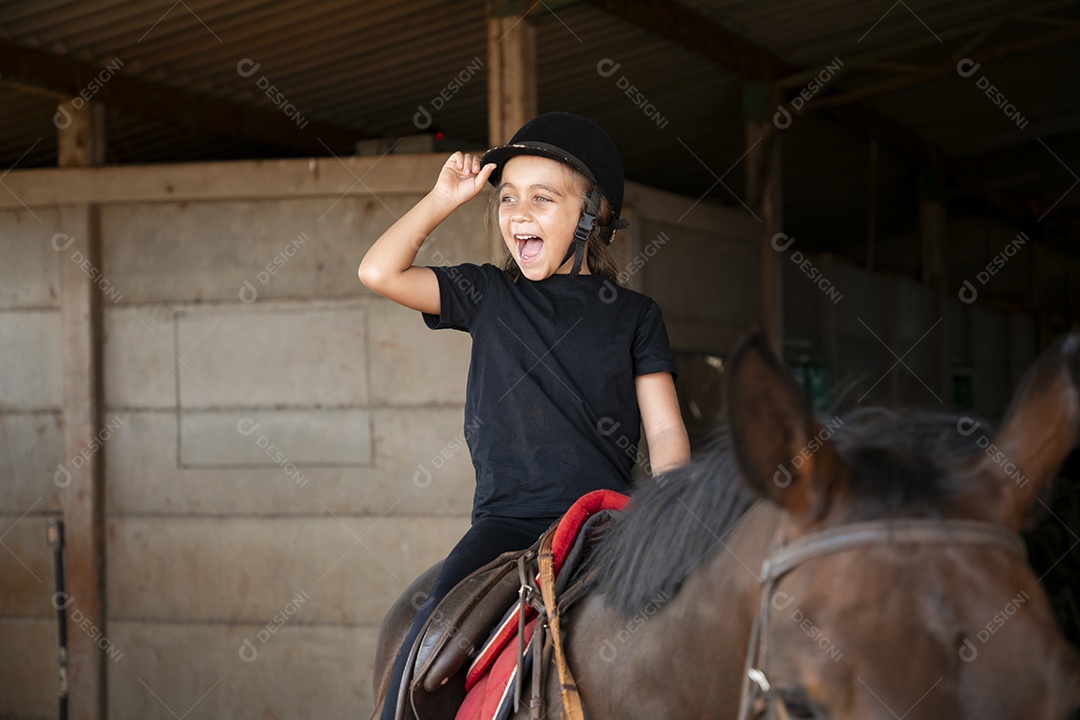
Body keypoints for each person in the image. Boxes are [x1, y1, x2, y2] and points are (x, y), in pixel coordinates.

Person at [358, 111, 690, 719]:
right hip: (505, 523)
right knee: (423, 652)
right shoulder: (487, 294)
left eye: (542, 198)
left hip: (606, 523)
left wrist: (665, 519)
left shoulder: (635, 315)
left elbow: (666, 433)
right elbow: (378, 271)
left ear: (592, 216)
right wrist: (442, 199)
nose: (518, 214)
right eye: (507, 199)